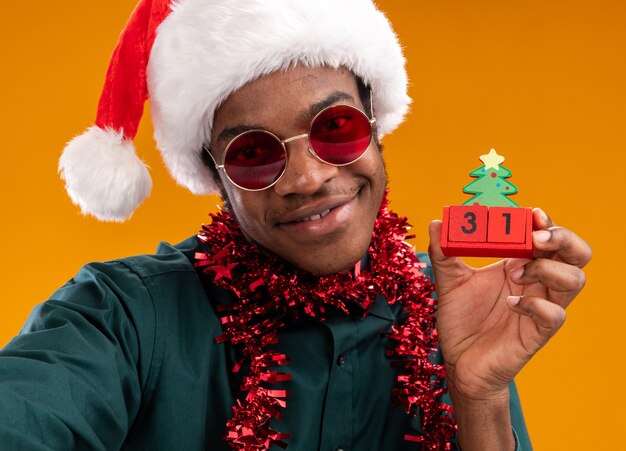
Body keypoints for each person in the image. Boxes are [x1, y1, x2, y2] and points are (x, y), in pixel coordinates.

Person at [0, 1, 591, 450]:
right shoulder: (120, 315)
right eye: (253, 153)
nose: (308, 178)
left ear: (377, 126)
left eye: (335, 128)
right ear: (215, 175)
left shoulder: (455, 312)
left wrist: (478, 398)